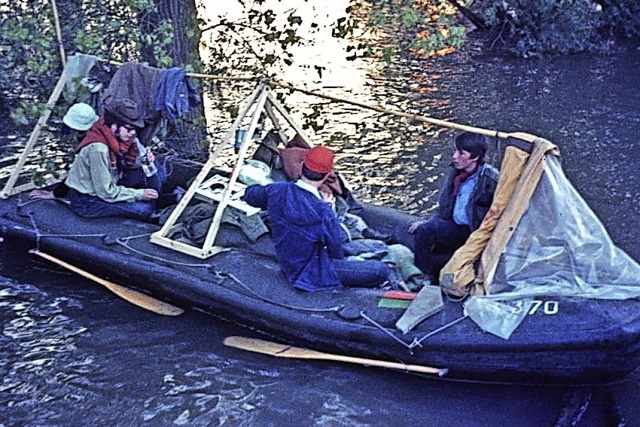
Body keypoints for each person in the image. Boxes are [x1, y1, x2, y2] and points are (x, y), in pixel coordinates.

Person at [244, 146, 390, 291]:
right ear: (327, 175)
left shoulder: (277, 190)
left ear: (302, 166)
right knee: (380, 270)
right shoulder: (323, 211)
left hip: (289, 258)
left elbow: (250, 195)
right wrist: (330, 210)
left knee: (371, 250)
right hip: (312, 272)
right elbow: (336, 251)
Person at [408, 132, 499, 284]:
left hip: (473, 231)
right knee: (424, 231)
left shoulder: (490, 178)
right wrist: (428, 222)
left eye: (461, 153)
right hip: (455, 227)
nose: (455, 157)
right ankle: (423, 277)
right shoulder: (455, 173)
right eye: (455, 151)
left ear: (475, 157)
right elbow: (444, 206)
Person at [64, 98, 161, 220]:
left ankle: (164, 200)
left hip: (111, 182)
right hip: (88, 200)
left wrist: (144, 159)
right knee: (144, 210)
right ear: (114, 126)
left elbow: (128, 162)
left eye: (134, 129)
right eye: (129, 129)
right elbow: (105, 192)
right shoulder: (98, 149)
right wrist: (140, 194)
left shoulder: (115, 137)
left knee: (158, 173)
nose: (132, 133)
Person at [29, 103, 99, 200]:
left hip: (101, 184)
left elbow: (77, 170)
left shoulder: (91, 146)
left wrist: (55, 194)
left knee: (80, 204)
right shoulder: (100, 129)